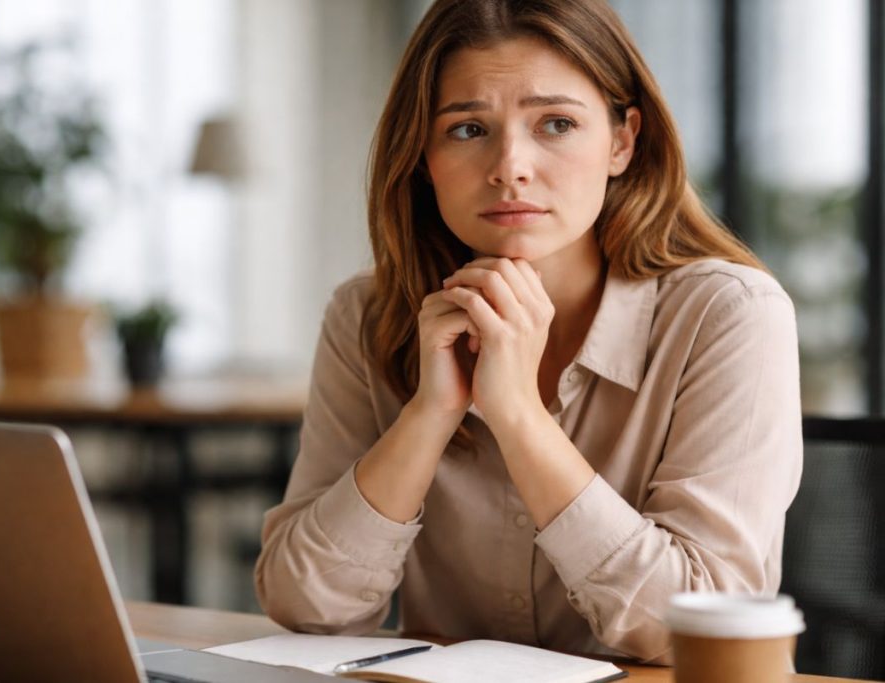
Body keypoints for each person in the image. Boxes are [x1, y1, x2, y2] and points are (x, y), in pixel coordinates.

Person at [254, 0, 801, 664]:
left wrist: (517, 416)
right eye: (466, 129)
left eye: (557, 123)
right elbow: (305, 608)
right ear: (423, 156)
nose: (510, 164)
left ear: (623, 140)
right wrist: (429, 413)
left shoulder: (729, 314)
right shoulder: (369, 314)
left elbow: (701, 627)